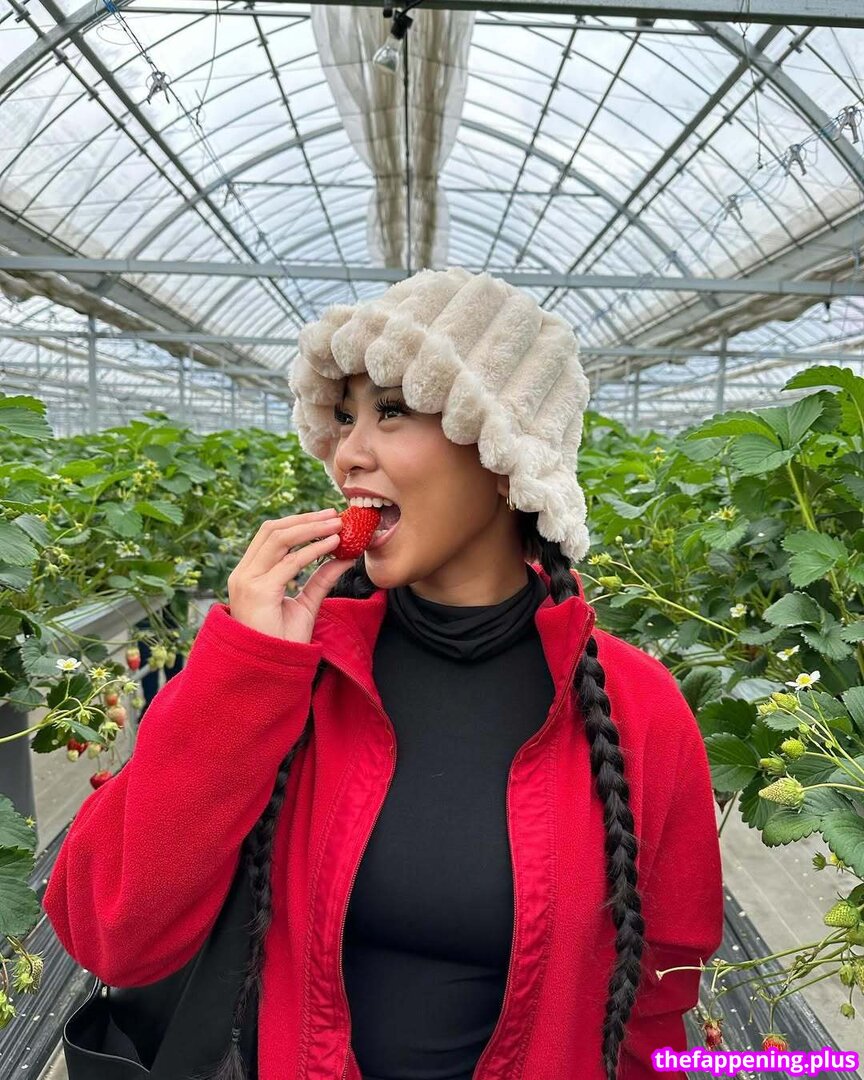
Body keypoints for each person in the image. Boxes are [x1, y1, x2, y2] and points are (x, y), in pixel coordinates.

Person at [43, 266, 723, 1080]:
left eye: (392, 411)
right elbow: (109, 933)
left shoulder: (638, 708)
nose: (348, 454)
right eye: (344, 417)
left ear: (503, 448)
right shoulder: (290, 670)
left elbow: (659, 992)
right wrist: (241, 676)